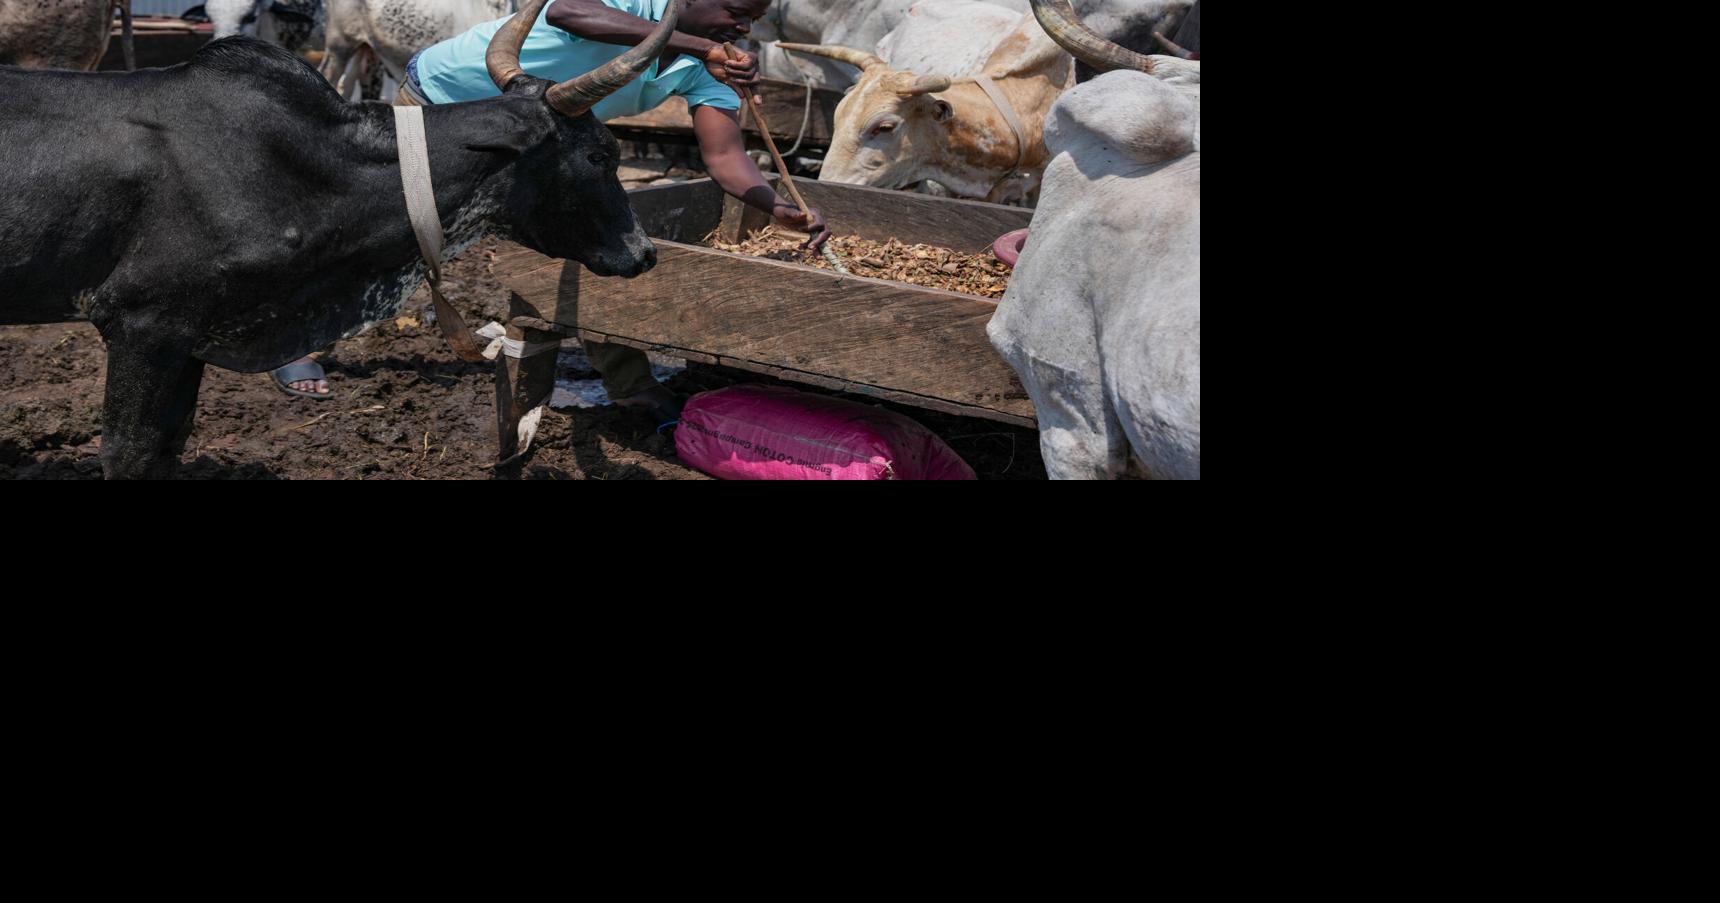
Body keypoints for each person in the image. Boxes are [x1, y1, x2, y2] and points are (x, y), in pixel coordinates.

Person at [403, 0, 828, 423]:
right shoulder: (638, 5)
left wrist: (777, 206)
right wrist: (699, 46)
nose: (743, 27)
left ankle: (631, 387)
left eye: (753, 20)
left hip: (534, 140)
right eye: (736, 11)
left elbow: (724, 158)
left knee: (602, 236)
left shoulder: (709, 67)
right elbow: (564, 11)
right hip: (440, 104)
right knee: (388, 238)